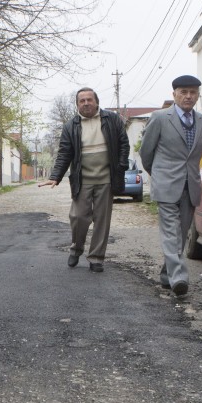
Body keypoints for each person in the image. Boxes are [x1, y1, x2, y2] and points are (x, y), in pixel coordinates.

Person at [38, 88, 130, 272]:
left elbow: (123, 145)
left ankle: (96, 258)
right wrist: (55, 176)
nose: (86, 103)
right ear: (77, 104)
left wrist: (120, 167)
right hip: (83, 180)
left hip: (106, 179)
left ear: (96, 101)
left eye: (89, 99)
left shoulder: (112, 120)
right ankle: (76, 248)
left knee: (102, 220)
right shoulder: (71, 125)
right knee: (78, 217)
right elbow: (65, 153)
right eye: (82, 101)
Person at [139, 75, 202, 296]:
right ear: (174, 94)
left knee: (181, 231)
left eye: (193, 92)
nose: (188, 96)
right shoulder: (160, 118)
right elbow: (146, 152)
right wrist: (158, 175)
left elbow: (196, 154)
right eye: (183, 92)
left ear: (198, 95)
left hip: (191, 185)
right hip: (166, 183)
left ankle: (166, 274)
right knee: (171, 232)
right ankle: (179, 277)